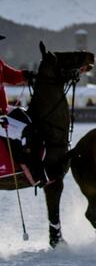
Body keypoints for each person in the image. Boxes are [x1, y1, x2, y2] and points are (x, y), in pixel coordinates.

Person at [0, 35, 43, 185]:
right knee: (18, 135)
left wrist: (26, 75)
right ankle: (31, 175)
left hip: (3, 110)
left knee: (26, 119)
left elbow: (10, 75)